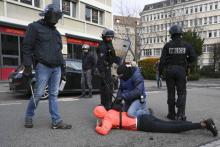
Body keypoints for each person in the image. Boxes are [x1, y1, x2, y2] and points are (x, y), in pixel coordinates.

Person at [22, 4, 71, 129]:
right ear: (47, 15)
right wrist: (27, 66)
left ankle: (56, 121)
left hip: (57, 68)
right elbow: (27, 48)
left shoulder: (57, 33)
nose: (56, 20)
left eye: (58, 17)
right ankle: (28, 116)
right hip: (43, 66)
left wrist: (63, 69)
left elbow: (59, 52)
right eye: (55, 16)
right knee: (38, 93)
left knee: (53, 94)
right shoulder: (34, 27)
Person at [93, 105, 218, 137]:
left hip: (143, 124)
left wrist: (97, 126)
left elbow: (104, 131)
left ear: (99, 116)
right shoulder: (110, 112)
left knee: (171, 129)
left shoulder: (106, 120)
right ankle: (200, 123)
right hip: (143, 117)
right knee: (170, 124)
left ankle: (203, 124)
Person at [159, 25, 196, 121]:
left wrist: (160, 73)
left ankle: (171, 114)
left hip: (170, 71)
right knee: (182, 93)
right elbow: (193, 58)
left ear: (171, 34)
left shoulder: (167, 45)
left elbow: (162, 61)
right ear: (180, 33)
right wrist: (186, 61)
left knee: (171, 93)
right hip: (181, 70)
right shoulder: (187, 45)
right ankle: (180, 114)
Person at [96, 28, 119, 110]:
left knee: (109, 87)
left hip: (108, 68)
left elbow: (113, 56)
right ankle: (106, 105)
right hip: (104, 69)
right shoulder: (102, 46)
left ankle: (107, 103)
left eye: (111, 37)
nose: (110, 39)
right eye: (108, 37)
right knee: (105, 88)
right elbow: (100, 60)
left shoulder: (109, 44)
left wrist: (118, 60)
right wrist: (101, 71)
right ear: (104, 37)